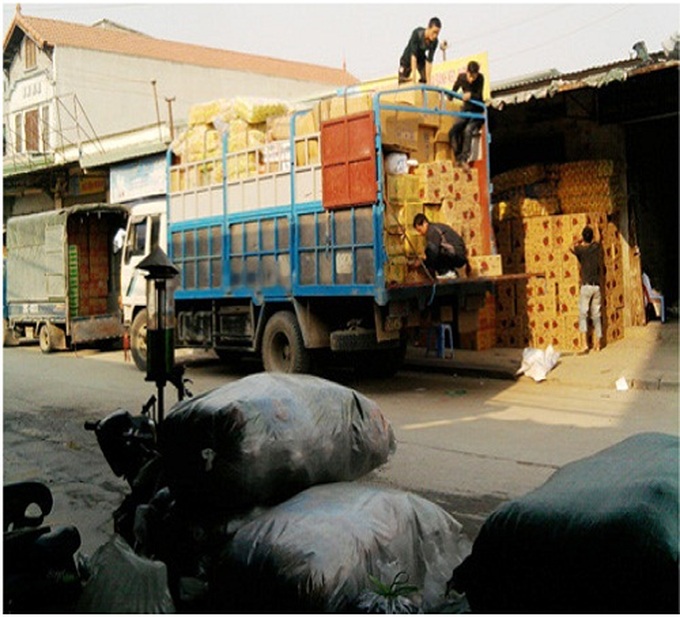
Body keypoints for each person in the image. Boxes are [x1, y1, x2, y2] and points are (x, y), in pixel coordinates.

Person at [570, 225, 603, 353]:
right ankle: (598, 344)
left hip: (586, 286)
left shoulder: (581, 250)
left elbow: (570, 247)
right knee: (596, 315)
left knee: (583, 315)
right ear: (592, 237)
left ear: (584, 237)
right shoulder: (595, 248)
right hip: (596, 286)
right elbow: (599, 239)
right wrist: (597, 227)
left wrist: (579, 240)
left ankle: (584, 345)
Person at [448, 61, 485, 169]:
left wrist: (471, 95)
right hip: (466, 111)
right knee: (453, 131)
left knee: (468, 130)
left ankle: (464, 158)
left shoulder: (480, 79)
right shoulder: (461, 78)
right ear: (467, 72)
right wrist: (450, 97)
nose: (472, 79)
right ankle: (458, 157)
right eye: (470, 76)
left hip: (477, 113)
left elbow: (479, 96)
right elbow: (453, 91)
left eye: (474, 77)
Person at [413, 213, 469, 279]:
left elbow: (433, 252)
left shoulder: (432, 231)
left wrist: (423, 263)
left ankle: (447, 272)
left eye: (420, 230)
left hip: (457, 255)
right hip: (457, 254)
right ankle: (449, 271)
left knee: (431, 251)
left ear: (425, 223)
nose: (420, 233)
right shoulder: (435, 228)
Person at [398, 17, 441, 85]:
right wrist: (414, 77)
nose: (435, 36)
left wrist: (428, 81)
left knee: (425, 79)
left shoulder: (435, 42)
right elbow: (413, 56)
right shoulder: (417, 34)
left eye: (437, 33)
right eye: (434, 32)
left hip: (420, 59)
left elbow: (429, 61)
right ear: (428, 28)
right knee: (402, 80)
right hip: (407, 59)